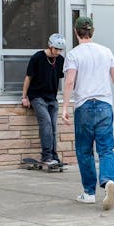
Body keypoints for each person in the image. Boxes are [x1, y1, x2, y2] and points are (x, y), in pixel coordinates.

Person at [61, 16, 114, 211]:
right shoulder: (106, 52)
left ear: (76, 32)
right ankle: (108, 181)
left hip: (84, 107)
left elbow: (69, 82)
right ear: (92, 32)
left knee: (84, 150)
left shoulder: (73, 54)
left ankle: (88, 193)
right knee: (106, 149)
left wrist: (65, 107)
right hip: (105, 106)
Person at [21, 33, 65, 167]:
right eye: (56, 49)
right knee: (46, 124)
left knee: (53, 127)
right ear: (50, 46)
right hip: (37, 96)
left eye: (60, 50)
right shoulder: (37, 58)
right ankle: (46, 156)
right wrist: (24, 97)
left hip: (52, 98)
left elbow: (60, 78)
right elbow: (28, 77)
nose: (58, 52)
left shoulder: (60, 60)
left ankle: (54, 156)